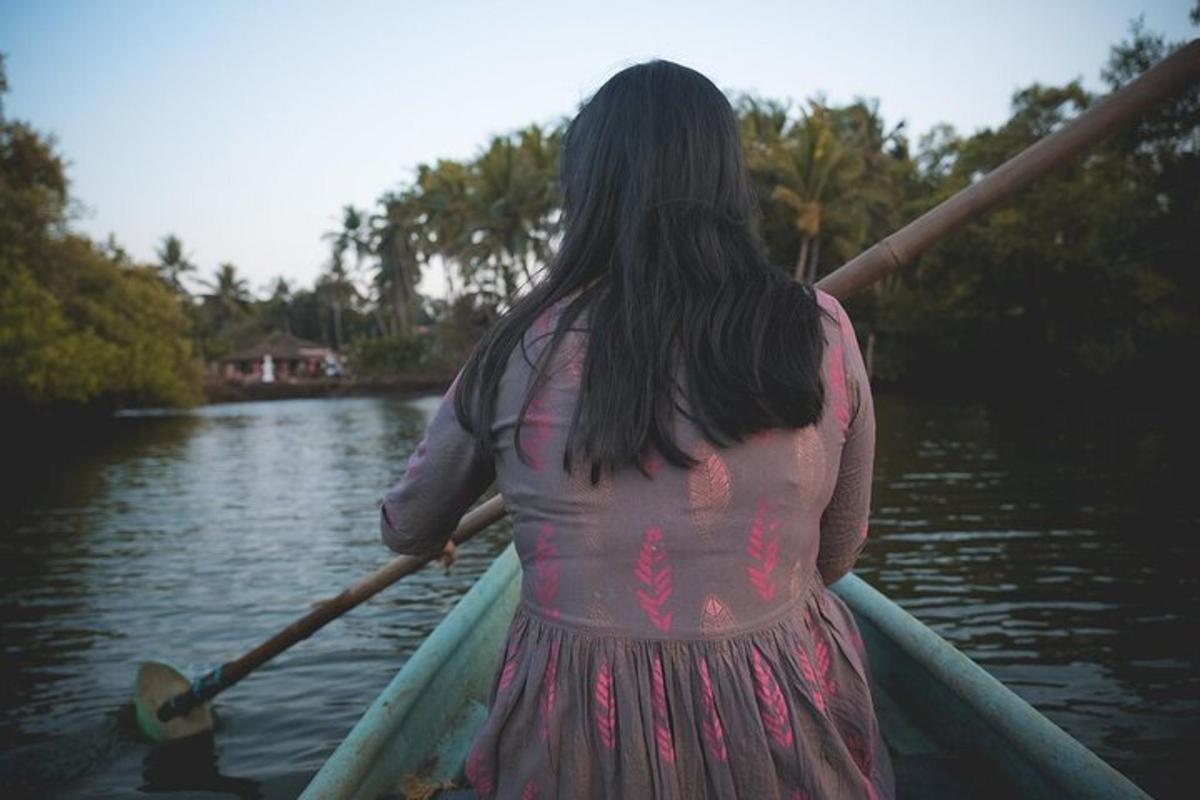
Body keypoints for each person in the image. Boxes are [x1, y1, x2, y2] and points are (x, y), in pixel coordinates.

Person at [380, 59, 894, 800]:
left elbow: (407, 523)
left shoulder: (515, 347)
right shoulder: (822, 329)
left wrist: (437, 533)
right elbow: (839, 553)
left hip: (570, 744)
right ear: (725, 180)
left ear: (587, 189)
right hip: (784, 725)